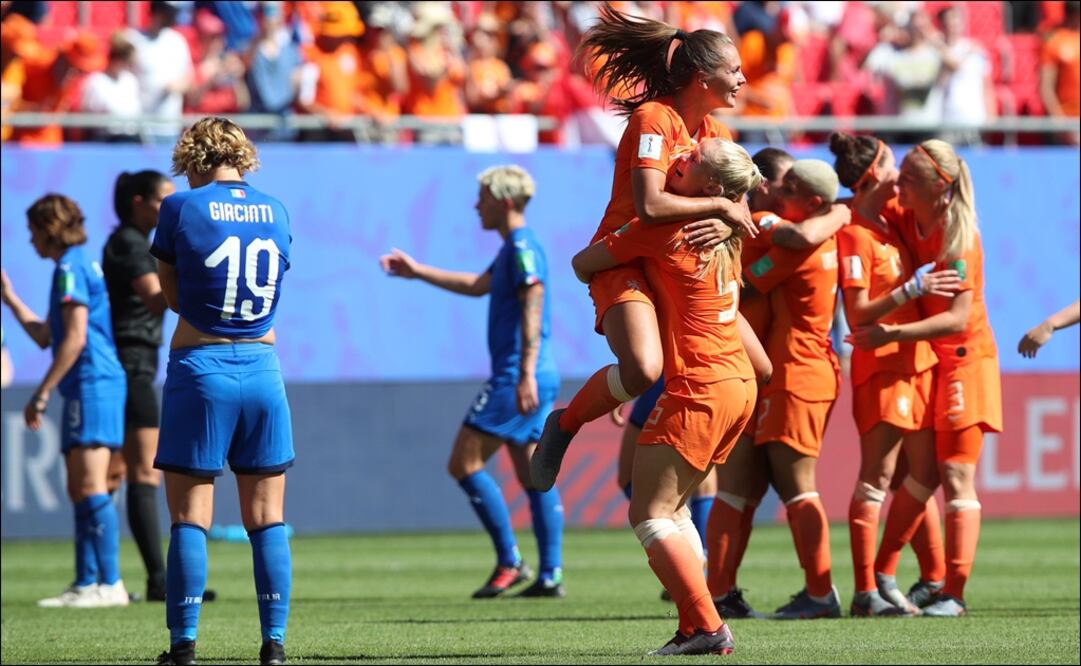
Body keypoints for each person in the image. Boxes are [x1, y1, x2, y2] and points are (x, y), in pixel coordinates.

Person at [531, 3, 757, 492]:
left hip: (679, 266)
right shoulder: (654, 119)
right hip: (625, 257)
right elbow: (650, 206)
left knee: (754, 368)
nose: (743, 79)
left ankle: (684, 489)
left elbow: (739, 206)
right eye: (733, 70)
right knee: (643, 367)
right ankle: (565, 425)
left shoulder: (718, 134)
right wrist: (718, 212)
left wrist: (726, 223)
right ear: (701, 77)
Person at [571, 137, 764, 656]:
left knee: (649, 513)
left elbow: (582, 264)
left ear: (713, 187)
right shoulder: (730, 235)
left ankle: (706, 627)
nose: (680, 158)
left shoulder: (660, 229)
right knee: (674, 510)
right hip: (737, 384)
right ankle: (694, 625)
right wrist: (724, 210)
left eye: (693, 161)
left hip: (700, 386)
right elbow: (762, 362)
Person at [379, 165, 566, 599]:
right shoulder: (515, 248)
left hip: (520, 374)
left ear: (502, 202)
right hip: (536, 371)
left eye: (481, 198)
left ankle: (510, 561)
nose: (475, 206)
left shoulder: (520, 246)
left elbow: (532, 300)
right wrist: (417, 271)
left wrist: (522, 374)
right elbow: (480, 285)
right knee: (532, 471)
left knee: (463, 463)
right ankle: (551, 573)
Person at [152, 117, 293, 665]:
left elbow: (174, 296)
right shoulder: (276, 209)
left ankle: (184, 645)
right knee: (268, 517)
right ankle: (274, 645)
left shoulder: (181, 207)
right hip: (263, 366)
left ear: (192, 157)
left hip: (201, 364)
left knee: (190, 516)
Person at [847, 139, 1002, 618]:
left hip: (965, 359)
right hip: (929, 360)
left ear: (939, 188)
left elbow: (957, 318)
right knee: (921, 475)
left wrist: (891, 331)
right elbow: (856, 206)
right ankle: (888, 574)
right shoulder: (906, 211)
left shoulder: (961, 238)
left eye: (910, 178)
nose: (899, 183)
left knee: (956, 475)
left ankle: (953, 593)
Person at [705, 147, 852, 619]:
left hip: (798, 371)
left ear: (809, 201)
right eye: (777, 183)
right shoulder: (806, 231)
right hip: (768, 368)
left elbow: (749, 282)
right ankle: (719, 592)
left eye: (789, 187)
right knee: (736, 485)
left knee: (796, 485)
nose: (775, 191)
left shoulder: (795, 241)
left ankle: (821, 592)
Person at [829, 132, 959, 616]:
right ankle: (867, 590)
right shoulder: (856, 235)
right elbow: (859, 312)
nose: (900, 174)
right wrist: (911, 289)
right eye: (892, 167)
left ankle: (923, 578)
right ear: (874, 176)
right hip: (883, 365)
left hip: (916, 360)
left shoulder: (887, 223)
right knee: (877, 478)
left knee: (923, 474)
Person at [1, 194, 129, 608]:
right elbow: (46, 336)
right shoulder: (70, 266)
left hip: (94, 381)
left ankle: (110, 584)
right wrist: (10, 298)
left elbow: (73, 341)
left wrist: (41, 393)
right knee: (79, 487)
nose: (30, 240)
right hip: (85, 384)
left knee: (91, 484)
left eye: (32, 231)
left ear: (48, 228)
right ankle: (85, 582)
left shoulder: (71, 266)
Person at [101, 170, 175, 603]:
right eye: (162, 200)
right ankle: (158, 580)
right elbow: (154, 296)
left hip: (136, 359)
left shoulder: (132, 242)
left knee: (117, 471)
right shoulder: (130, 243)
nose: (168, 207)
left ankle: (108, 575)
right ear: (138, 202)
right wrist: (200, 266)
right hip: (131, 360)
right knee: (142, 469)